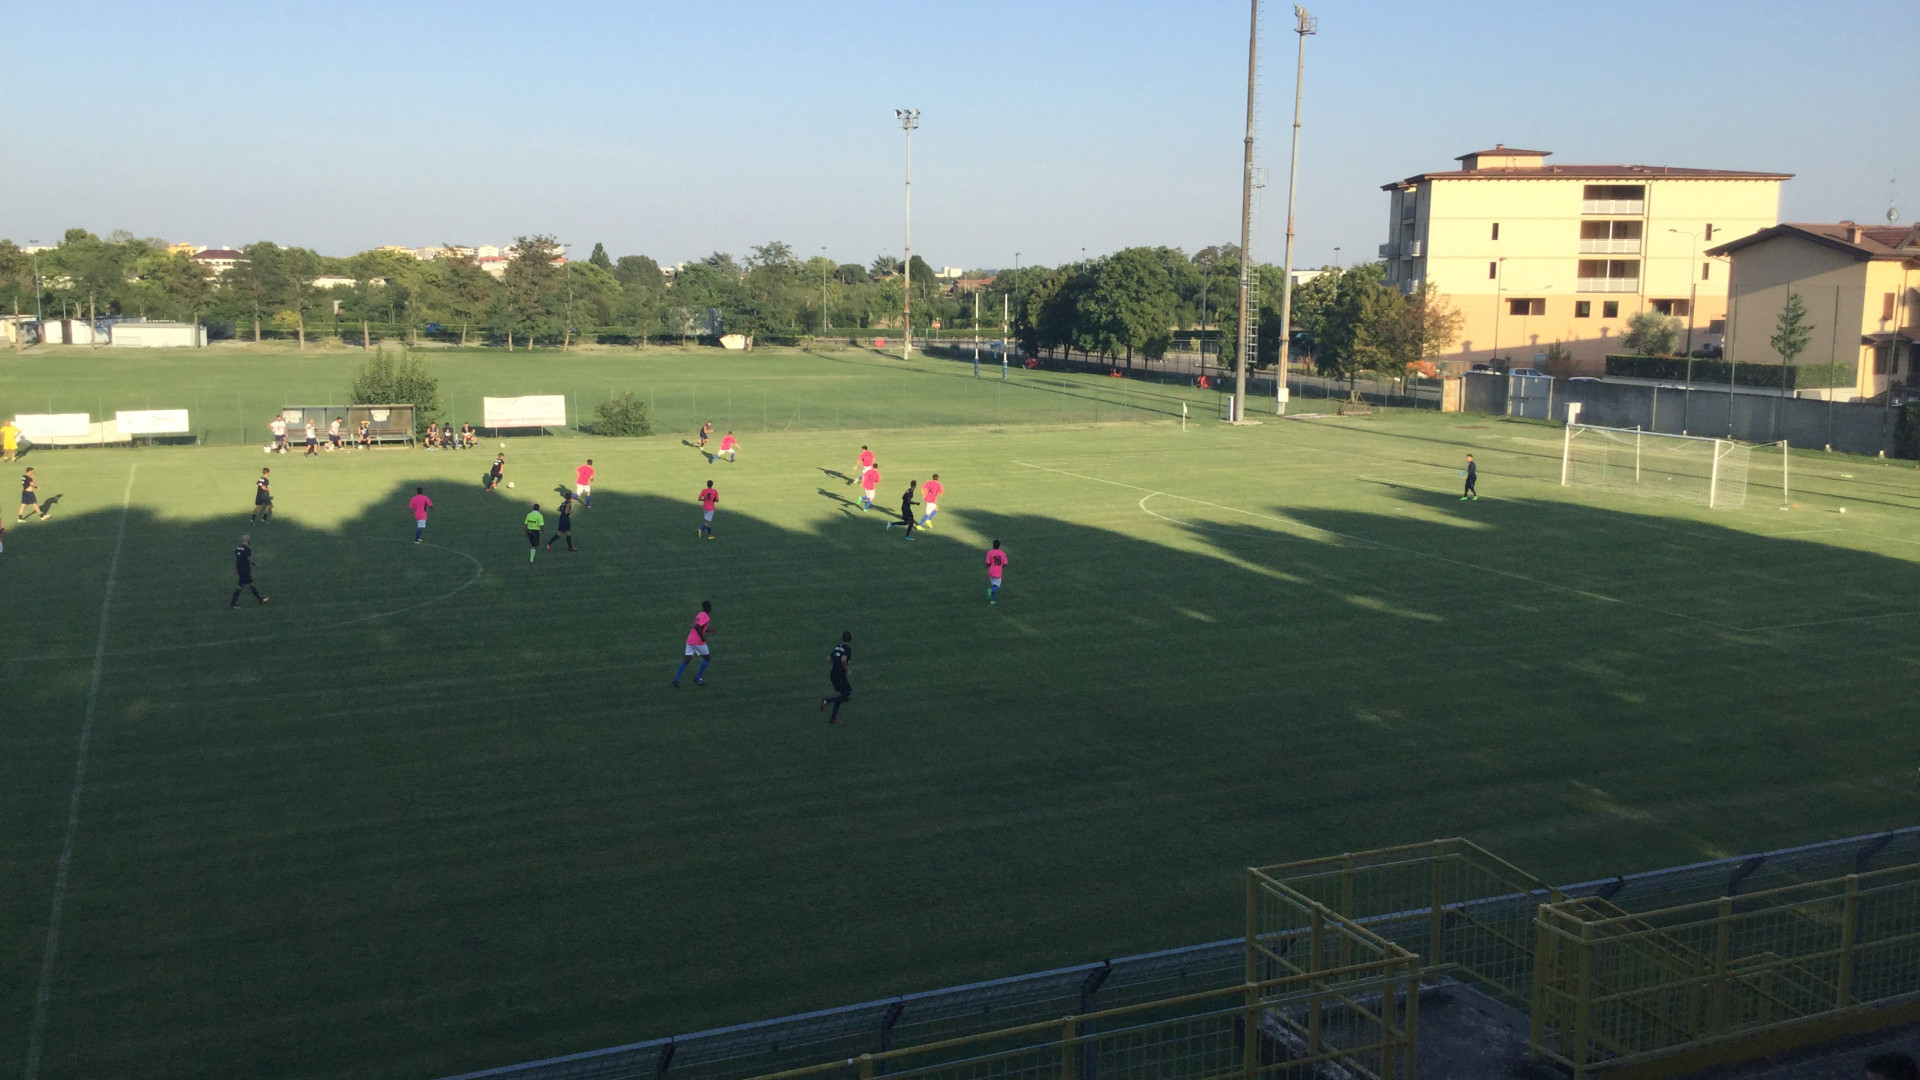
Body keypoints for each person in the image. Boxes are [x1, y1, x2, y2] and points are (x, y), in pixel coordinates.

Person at [673, 600, 712, 687]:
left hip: (690, 639)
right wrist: (702, 637)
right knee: (707, 658)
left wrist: (707, 631)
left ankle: (676, 679)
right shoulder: (706, 617)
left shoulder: (700, 614)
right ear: (709, 608)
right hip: (697, 641)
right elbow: (698, 627)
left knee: (687, 660)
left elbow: (697, 626)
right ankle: (698, 678)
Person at [821, 631, 853, 724]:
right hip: (840, 675)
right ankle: (827, 701)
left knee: (841, 695)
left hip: (833, 674)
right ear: (850, 639)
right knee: (848, 696)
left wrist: (836, 662)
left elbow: (829, 658)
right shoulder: (848, 648)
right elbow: (843, 660)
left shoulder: (838, 646)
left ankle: (833, 718)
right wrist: (847, 670)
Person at [230, 534, 269, 609]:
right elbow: (250, 560)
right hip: (245, 570)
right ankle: (232, 604)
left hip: (241, 569)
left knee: (251, 584)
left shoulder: (238, 547)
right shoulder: (247, 549)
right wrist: (256, 564)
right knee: (240, 587)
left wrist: (236, 569)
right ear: (248, 540)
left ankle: (260, 599)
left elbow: (237, 559)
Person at [985, 539, 1009, 604]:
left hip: (991, 572)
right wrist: (1001, 566)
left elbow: (987, 563)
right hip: (998, 572)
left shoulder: (989, 553)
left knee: (994, 585)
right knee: (997, 587)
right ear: (999, 546)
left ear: (993, 545)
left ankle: (992, 600)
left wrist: (989, 565)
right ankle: (991, 590)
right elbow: (1005, 564)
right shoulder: (1002, 553)